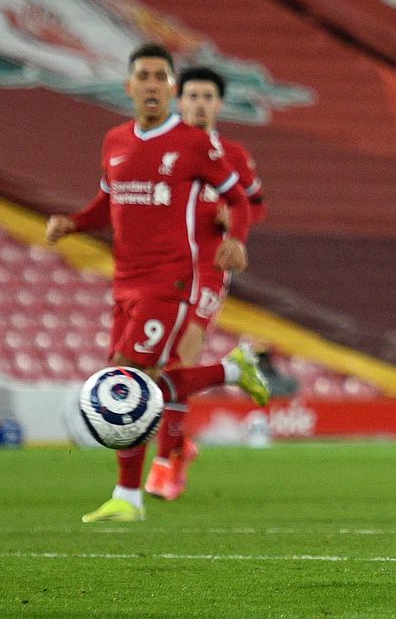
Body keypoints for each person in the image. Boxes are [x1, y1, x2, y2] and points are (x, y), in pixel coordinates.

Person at [46, 43, 270, 523]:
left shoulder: (193, 143)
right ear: (128, 86)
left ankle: (134, 492)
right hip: (124, 282)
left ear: (171, 89)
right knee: (139, 379)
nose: (151, 85)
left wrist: (236, 238)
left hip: (171, 280)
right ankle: (230, 372)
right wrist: (73, 223)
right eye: (143, 76)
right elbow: (107, 203)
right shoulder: (115, 141)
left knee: (124, 376)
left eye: (160, 77)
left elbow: (239, 198)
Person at [144, 66, 268, 502]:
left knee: (182, 357)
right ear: (180, 101)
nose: (199, 104)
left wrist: (234, 224)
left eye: (207, 97)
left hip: (208, 269)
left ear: (219, 104)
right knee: (156, 370)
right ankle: (181, 442)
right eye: (192, 96)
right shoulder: (161, 150)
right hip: (163, 268)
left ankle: (164, 465)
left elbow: (255, 204)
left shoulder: (232, 155)